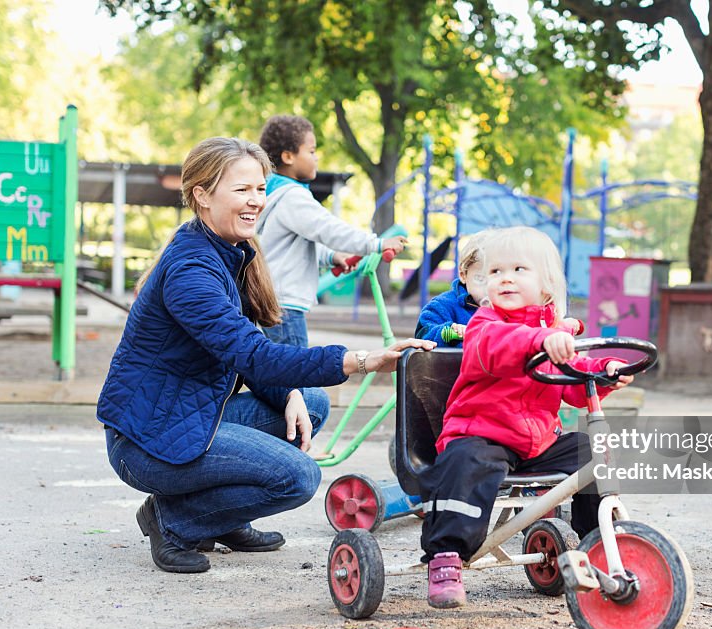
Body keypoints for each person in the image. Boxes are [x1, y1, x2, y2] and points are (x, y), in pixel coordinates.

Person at [97, 137, 435, 574]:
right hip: (148, 439)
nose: (256, 201)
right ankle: (174, 520)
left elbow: (248, 351)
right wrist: (362, 359)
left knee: (307, 403)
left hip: (188, 413)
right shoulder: (191, 272)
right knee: (298, 478)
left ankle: (224, 517)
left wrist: (288, 392)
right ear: (202, 195)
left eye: (260, 189)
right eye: (242, 190)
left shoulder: (227, 250)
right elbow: (253, 355)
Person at [417, 226, 633, 608]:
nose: (505, 278)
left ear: (547, 286)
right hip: (481, 433)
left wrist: (605, 372)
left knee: (592, 452)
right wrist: (539, 341)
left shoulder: (552, 332)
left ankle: (598, 544)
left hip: (535, 443)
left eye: (519, 269)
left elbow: (573, 381)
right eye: (496, 271)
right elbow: (495, 348)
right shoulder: (485, 324)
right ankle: (446, 555)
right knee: (467, 463)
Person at [257, 115, 407, 347]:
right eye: (312, 151)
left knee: (278, 374)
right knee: (295, 376)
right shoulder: (292, 197)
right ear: (288, 156)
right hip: (285, 307)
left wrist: (331, 256)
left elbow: (295, 244)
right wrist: (376, 244)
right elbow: (329, 229)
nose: (316, 158)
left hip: (272, 300)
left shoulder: (272, 193)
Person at [415, 229, 584, 347]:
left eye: (497, 274)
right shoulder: (443, 305)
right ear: (463, 274)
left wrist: (560, 327)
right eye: (484, 277)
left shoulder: (511, 305)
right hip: (447, 380)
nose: (493, 284)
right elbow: (423, 336)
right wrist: (450, 332)